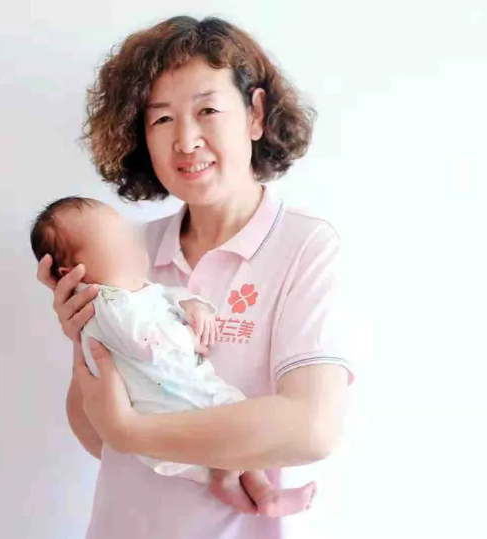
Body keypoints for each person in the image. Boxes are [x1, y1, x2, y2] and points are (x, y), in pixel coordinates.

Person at [36, 15, 354, 539]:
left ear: (255, 114)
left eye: (207, 110)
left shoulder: (304, 247)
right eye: (161, 119)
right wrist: (83, 338)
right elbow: (99, 439)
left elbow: (310, 428)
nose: (185, 141)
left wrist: (132, 429)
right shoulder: (126, 252)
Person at [30, 196, 317, 516]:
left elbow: (166, 297)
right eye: (113, 245)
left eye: (125, 236)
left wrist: (192, 306)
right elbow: (144, 342)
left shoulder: (136, 290)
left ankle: (262, 492)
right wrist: (187, 336)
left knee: (234, 420)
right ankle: (239, 486)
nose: (130, 246)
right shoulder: (106, 304)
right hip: (168, 409)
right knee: (225, 428)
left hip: (185, 395)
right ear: (74, 272)